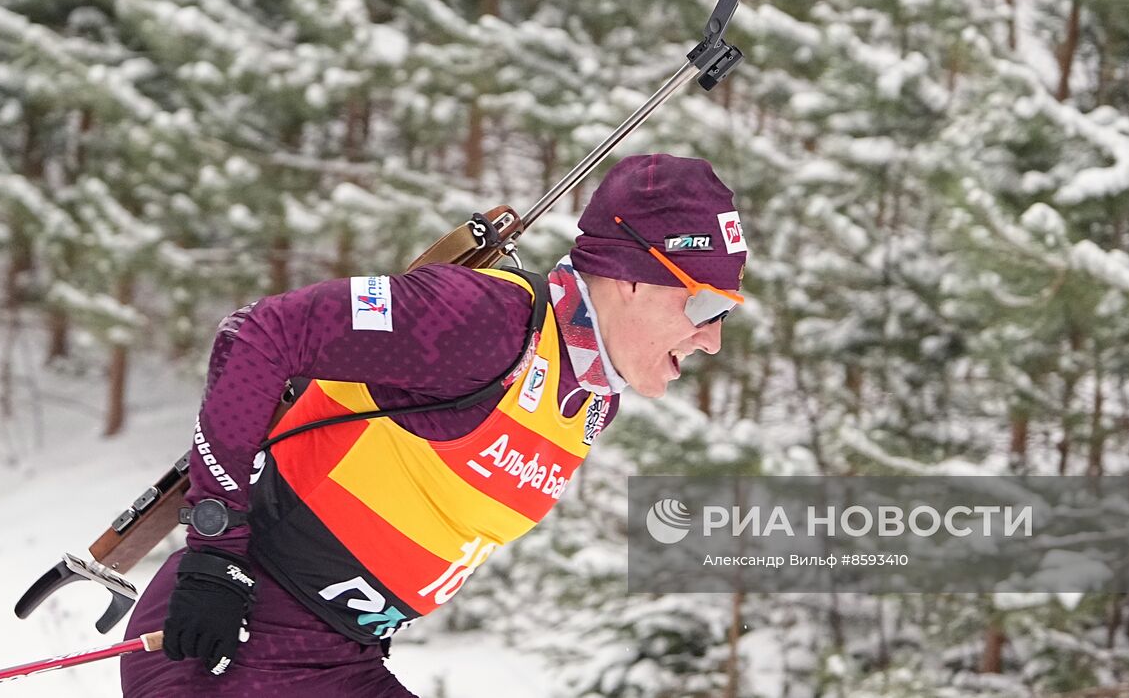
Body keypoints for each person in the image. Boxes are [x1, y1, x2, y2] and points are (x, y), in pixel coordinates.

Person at [118, 154, 749, 696]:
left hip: (335, 661)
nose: (713, 340)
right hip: (227, 643)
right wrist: (214, 549)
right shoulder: (482, 323)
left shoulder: (589, 395)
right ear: (631, 276)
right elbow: (260, 332)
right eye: (704, 304)